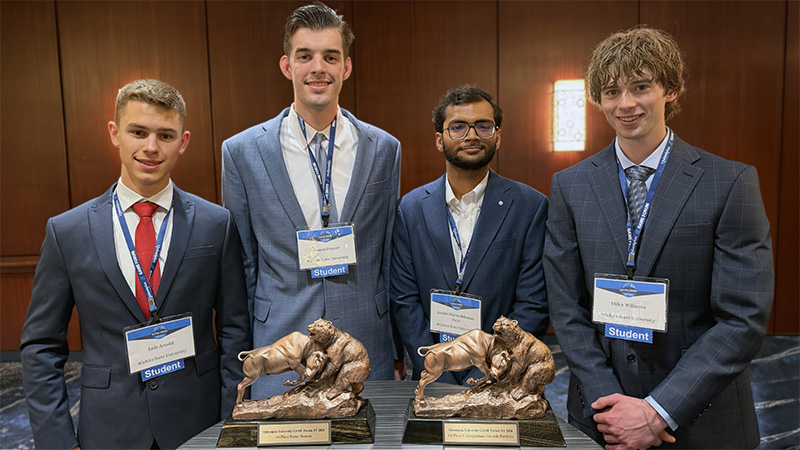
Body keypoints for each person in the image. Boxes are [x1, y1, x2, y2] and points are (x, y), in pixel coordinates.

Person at [544, 27, 774, 449]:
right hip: (601, 418)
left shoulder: (730, 182)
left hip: (701, 419)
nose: (626, 104)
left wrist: (656, 411)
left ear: (669, 89)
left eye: (641, 87)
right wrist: (609, 403)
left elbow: (742, 318)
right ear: (598, 100)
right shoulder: (570, 186)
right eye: (611, 92)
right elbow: (566, 305)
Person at [20, 79, 251, 450]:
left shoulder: (216, 224)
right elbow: (41, 348)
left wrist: (230, 427)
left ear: (184, 141)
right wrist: (58, 442)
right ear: (115, 133)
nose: (151, 147)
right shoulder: (67, 232)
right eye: (138, 132)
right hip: (109, 428)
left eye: (166, 135)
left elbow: (234, 332)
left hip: (199, 424)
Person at [221, 2, 401, 399]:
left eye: (330, 57)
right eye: (306, 56)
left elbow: (387, 253)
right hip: (282, 341)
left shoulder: (385, 148)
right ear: (287, 66)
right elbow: (245, 263)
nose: (318, 68)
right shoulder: (242, 152)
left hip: (363, 339)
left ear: (346, 67)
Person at [390, 85, 549, 384]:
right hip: (432, 376)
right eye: (458, 127)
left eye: (483, 126)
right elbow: (404, 299)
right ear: (440, 140)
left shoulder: (530, 206)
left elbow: (533, 304)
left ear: (497, 137)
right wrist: (435, 366)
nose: (472, 135)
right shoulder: (410, 209)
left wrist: (487, 370)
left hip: (502, 378)